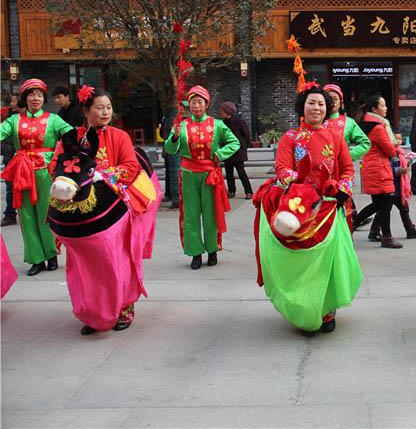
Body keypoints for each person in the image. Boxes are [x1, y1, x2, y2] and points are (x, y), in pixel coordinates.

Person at [50, 86, 162, 335]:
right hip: (80, 207)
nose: (105, 112)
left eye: (108, 107)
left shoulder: (119, 136)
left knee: (117, 259)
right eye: (99, 108)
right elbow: (56, 166)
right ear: (86, 110)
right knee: (83, 266)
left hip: (113, 204)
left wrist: (104, 175)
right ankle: (93, 313)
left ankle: (124, 306)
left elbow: (130, 167)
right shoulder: (70, 137)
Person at [254, 83, 361, 334]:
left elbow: (346, 168)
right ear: (302, 107)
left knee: (326, 263)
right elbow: (282, 168)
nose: (316, 107)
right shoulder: (289, 137)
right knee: (301, 263)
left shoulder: (335, 137)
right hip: (299, 205)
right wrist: (303, 185)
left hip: (328, 207)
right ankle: (301, 307)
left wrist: (342, 187)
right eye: (312, 102)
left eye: (321, 103)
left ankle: (326, 310)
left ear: (328, 108)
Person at [0, 79, 73, 275]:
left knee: (46, 213)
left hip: (46, 172)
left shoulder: (53, 119)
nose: (36, 98)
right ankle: (36, 259)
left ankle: (51, 255)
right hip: (22, 172)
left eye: (39, 95)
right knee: (26, 216)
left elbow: (72, 136)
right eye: (32, 94)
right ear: (25, 98)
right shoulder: (14, 120)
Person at [164, 85, 240, 269]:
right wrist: (174, 138)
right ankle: (195, 253)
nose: (196, 106)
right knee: (190, 215)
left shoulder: (218, 125)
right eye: (193, 102)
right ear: (188, 105)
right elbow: (169, 149)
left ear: (206, 104)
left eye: (200, 102)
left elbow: (234, 142)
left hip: (209, 175)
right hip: (188, 175)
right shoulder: (181, 126)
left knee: (210, 214)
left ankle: (212, 250)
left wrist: (220, 154)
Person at [356, 94, 406, 248]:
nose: (386, 108)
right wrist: (397, 149)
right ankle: (385, 237)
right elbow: (390, 151)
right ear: (374, 109)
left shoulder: (368, 124)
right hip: (379, 168)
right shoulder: (378, 127)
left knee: (380, 204)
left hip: (373, 167)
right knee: (384, 203)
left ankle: (385, 236)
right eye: (383, 105)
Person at [359, 132, 416, 242]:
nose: (398, 141)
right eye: (396, 138)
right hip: (390, 186)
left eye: (400, 138)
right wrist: (401, 170)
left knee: (402, 208)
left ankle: (409, 229)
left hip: (399, 187)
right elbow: (390, 170)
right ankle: (373, 230)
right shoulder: (389, 153)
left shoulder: (399, 152)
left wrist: (407, 164)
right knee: (384, 209)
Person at [323, 83, 371, 226]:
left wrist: (347, 156)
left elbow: (365, 143)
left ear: (341, 101)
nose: (332, 102)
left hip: (341, 172)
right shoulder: (315, 122)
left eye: (335, 98)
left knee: (344, 205)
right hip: (320, 173)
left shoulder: (348, 123)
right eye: (328, 98)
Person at [219, 101, 253, 200]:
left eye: (222, 110)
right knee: (229, 173)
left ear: (228, 111)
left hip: (238, 151)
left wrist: (244, 148)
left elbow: (246, 135)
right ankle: (231, 191)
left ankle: (249, 191)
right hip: (227, 151)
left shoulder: (239, 121)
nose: (221, 112)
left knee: (241, 172)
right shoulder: (222, 123)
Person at [1, 94, 19, 227]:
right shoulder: (10, 120)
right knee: (10, 189)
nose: (11, 104)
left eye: (14, 101)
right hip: (9, 159)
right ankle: (10, 214)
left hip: (18, 159)